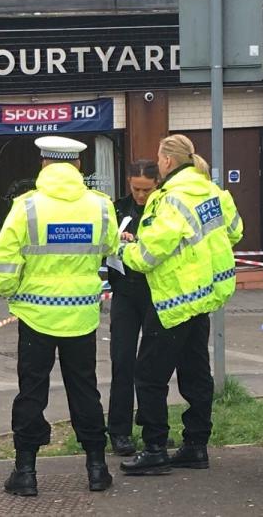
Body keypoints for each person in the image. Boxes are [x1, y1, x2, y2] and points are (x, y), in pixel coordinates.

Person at [0, 136, 119, 495]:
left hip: (35, 316)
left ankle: (26, 473)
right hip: (81, 315)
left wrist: (9, 290)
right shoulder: (100, 205)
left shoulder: (26, 206)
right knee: (85, 390)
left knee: (32, 392)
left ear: (44, 165)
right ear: (78, 166)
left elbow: (5, 258)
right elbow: (111, 247)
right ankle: (97, 469)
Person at [117, 134, 243, 476]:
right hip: (204, 295)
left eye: (159, 159)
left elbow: (147, 255)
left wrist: (120, 249)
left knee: (149, 376)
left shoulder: (170, 199)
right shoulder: (213, 192)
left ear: (168, 162)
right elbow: (234, 232)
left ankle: (155, 448)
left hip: (174, 299)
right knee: (196, 374)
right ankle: (195, 446)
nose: (158, 164)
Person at [106, 160, 160, 457]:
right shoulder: (118, 208)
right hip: (125, 292)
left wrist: (140, 242)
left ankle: (154, 429)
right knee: (122, 360)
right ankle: (119, 431)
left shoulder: (163, 208)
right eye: (136, 189)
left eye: (147, 190)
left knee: (152, 366)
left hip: (155, 291)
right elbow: (103, 243)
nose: (141, 196)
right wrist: (117, 239)